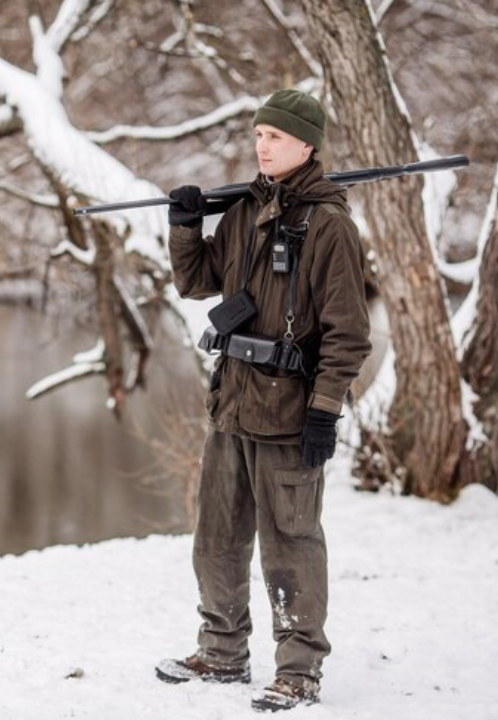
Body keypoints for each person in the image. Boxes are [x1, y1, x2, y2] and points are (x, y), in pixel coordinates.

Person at [155, 89, 372, 712]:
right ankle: (222, 652)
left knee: (291, 544)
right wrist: (185, 226)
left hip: (290, 415)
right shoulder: (247, 212)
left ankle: (299, 671)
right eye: (257, 135)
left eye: (274, 137)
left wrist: (325, 411)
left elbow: (349, 335)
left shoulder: (329, 225)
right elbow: (198, 282)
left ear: (307, 144)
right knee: (217, 537)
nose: (262, 145)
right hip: (232, 404)